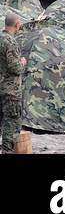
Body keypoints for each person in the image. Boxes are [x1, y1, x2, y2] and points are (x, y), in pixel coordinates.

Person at [0, 13, 25, 153]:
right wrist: (22, 62)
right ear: (17, 25)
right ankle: (7, 151)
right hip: (10, 91)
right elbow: (15, 68)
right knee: (11, 122)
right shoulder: (10, 41)